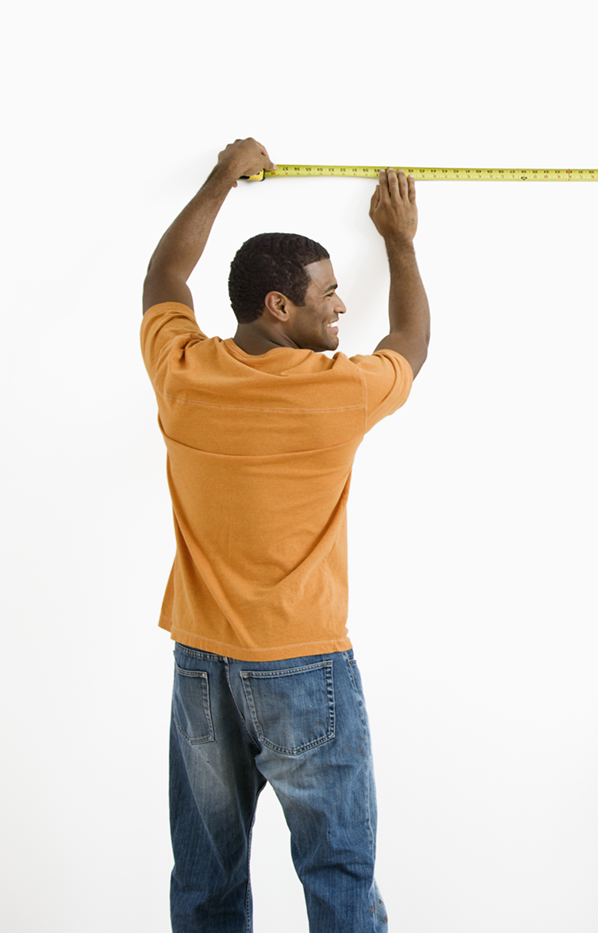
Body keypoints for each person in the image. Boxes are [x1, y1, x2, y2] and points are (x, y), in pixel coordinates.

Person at [140, 138, 431, 933]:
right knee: (338, 877)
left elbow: (164, 278)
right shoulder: (336, 394)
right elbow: (411, 344)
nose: (341, 306)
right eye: (329, 293)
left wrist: (219, 180)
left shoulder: (184, 374)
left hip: (201, 667)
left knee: (204, 881)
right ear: (280, 306)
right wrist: (401, 244)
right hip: (303, 669)